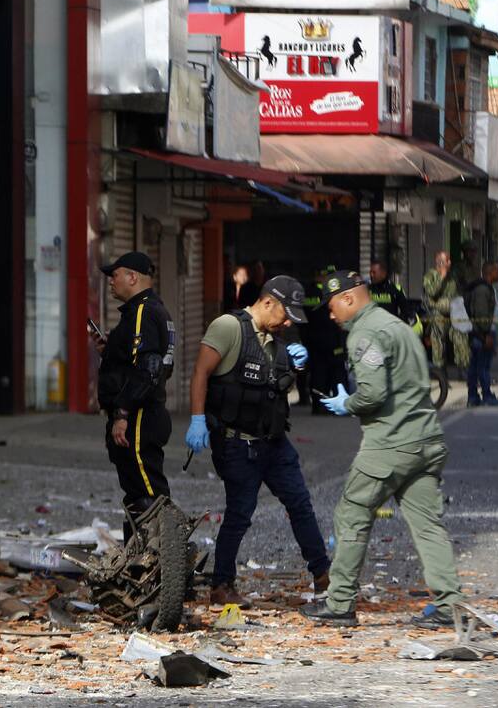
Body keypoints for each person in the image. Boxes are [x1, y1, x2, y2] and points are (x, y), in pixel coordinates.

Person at [301, 271, 462, 629]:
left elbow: (373, 394)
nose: (330, 315)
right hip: (427, 439)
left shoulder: (364, 333)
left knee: (352, 513)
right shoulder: (399, 326)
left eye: (331, 307)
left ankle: (340, 602)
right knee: (427, 525)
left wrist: (349, 403)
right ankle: (450, 604)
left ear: (348, 299)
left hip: (391, 442)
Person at [185, 276, 330, 606]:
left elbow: (275, 384)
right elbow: (200, 373)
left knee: (300, 504)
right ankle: (222, 584)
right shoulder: (228, 327)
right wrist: (196, 419)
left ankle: (324, 577)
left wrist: (295, 363)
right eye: (285, 314)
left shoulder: (278, 336)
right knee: (240, 513)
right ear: (267, 303)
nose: (288, 321)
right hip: (238, 443)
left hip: (275, 442)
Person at [93, 251, 176, 538]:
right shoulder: (153, 311)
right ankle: (141, 562)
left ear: (133, 277)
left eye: (115, 275)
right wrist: (111, 351)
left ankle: (164, 562)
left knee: (148, 493)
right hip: (143, 413)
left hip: (140, 416)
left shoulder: (144, 311)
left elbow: (150, 368)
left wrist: (123, 413)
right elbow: (151, 362)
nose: (111, 282)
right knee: (137, 492)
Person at [303, 267, 346, 414]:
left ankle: (318, 406)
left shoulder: (309, 293)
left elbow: (304, 319)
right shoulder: (332, 293)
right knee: (336, 374)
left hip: (314, 340)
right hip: (332, 341)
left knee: (318, 374)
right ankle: (338, 405)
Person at [423, 251, 470, 372]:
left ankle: (463, 368)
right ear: (439, 262)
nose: (449, 263)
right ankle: (440, 373)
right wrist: (442, 277)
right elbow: (431, 292)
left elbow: (460, 290)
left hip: (454, 311)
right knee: (438, 342)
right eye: (446, 260)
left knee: (461, 338)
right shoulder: (431, 275)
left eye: (449, 260)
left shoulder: (453, 275)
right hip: (438, 312)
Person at [465, 262, 498, 407]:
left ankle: (473, 397)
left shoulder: (488, 288)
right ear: (490, 272)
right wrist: (486, 335)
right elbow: (481, 315)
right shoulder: (482, 289)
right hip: (482, 334)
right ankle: (486, 396)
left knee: (476, 366)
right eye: (497, 270)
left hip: (483, 333)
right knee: (482, 367)